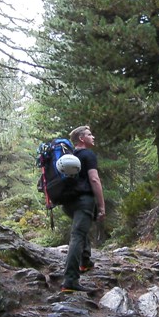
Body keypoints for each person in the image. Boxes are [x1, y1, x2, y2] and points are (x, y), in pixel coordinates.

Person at [61, 125, 106, 293]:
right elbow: (94, 180)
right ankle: (70, 280)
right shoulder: (88, 154)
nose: (93, 136)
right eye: (89, 134)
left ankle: (85, 262)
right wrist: (101, 206)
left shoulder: (70, 156)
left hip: (68, 203)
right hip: (83, 201)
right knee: (78, 236)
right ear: (82, 139)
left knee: (82, 229)